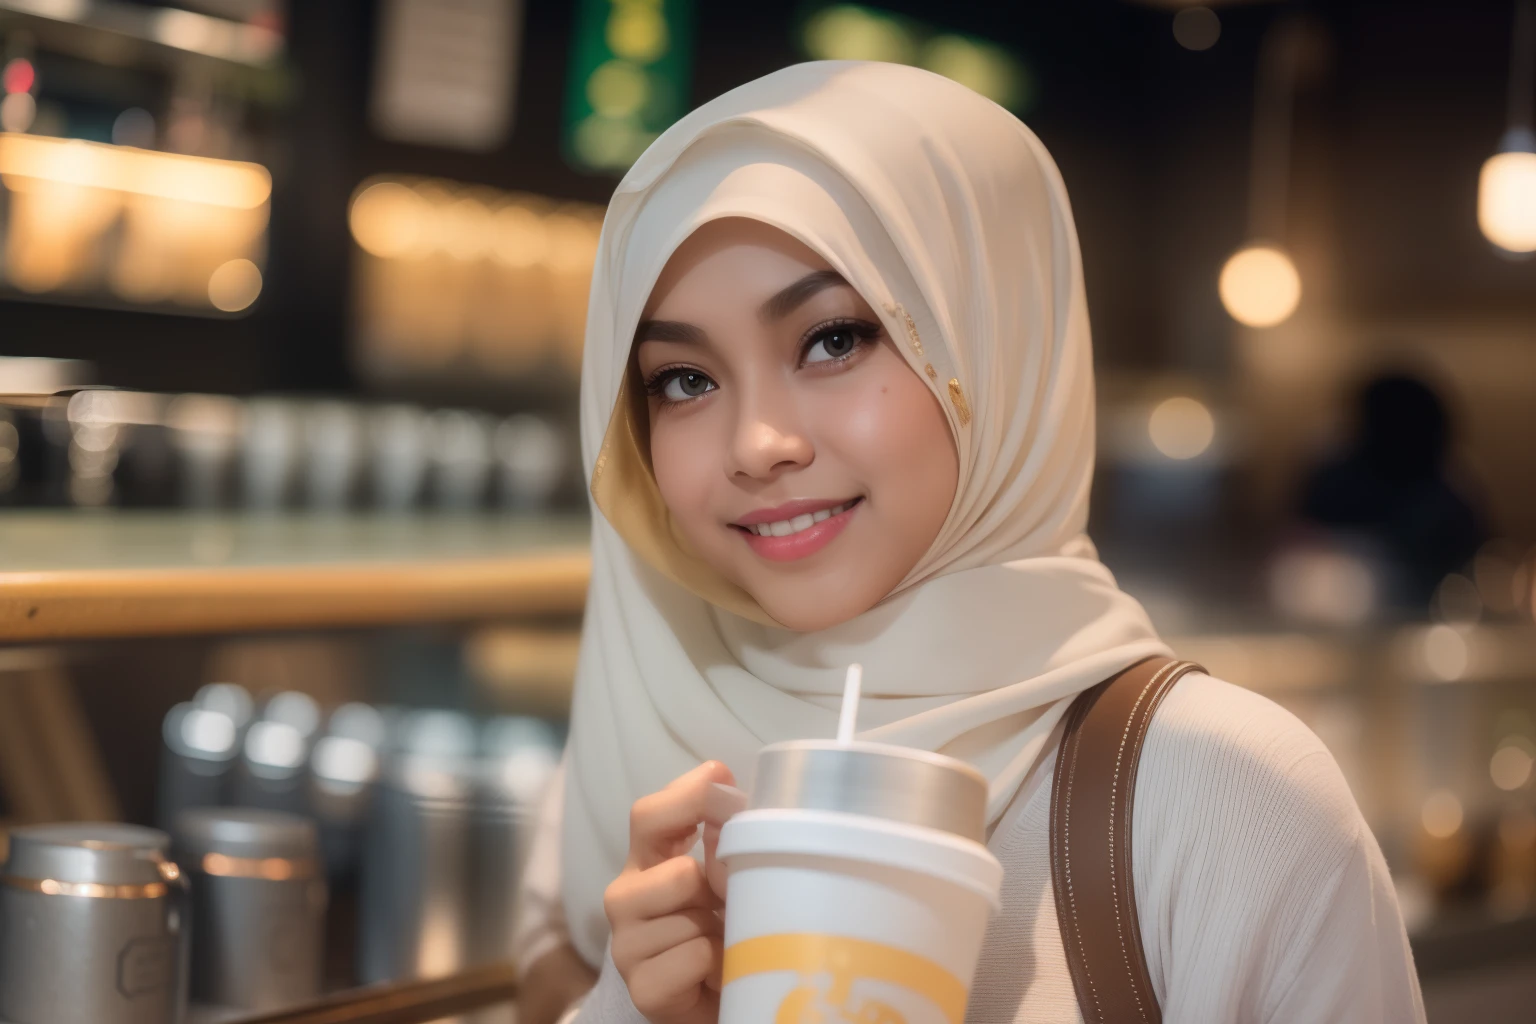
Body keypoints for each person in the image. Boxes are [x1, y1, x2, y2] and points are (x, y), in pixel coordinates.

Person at [513, 61, 1424, 1024]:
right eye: (684, 380)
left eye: (833, 339)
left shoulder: (1224, 801)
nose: (756, 445)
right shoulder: (630, 763)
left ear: (992, 342)